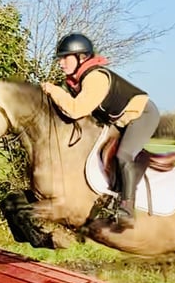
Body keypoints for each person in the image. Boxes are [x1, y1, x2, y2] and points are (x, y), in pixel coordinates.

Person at [41, 32, 160, 229]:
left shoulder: (95, 77)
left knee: (123, 155)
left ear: (81, 58)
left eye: (65, 57)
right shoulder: (77, 81)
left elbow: (76, 110)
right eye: (59, 58)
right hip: (121, 120)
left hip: (143, 115)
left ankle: (127, 209)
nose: (60, 63)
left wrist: (54, 91)